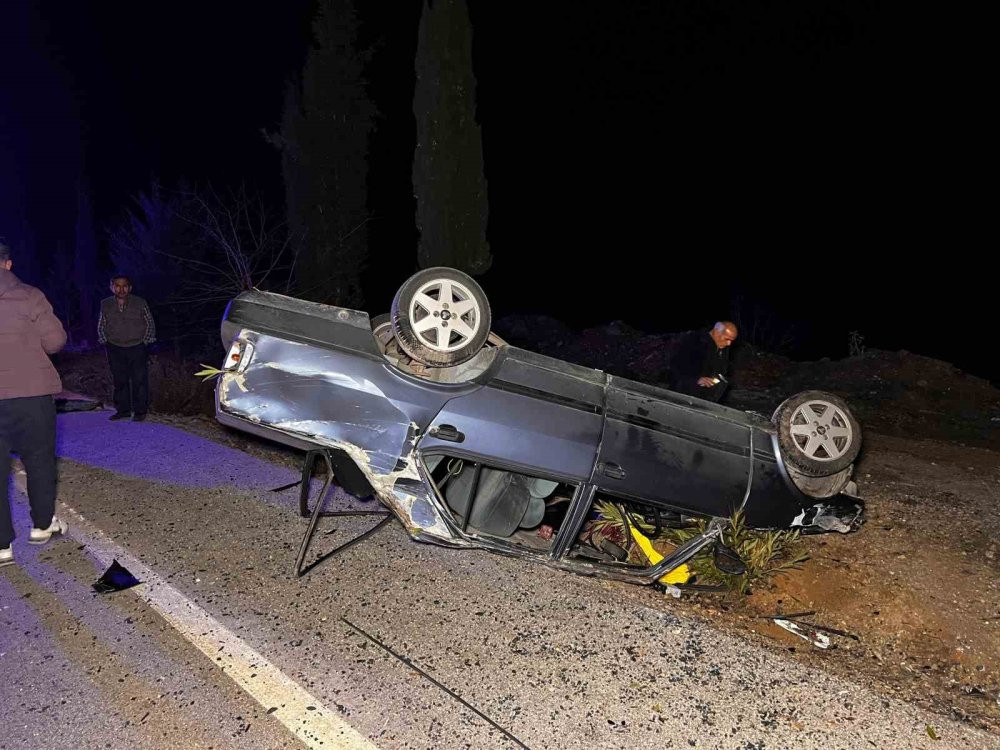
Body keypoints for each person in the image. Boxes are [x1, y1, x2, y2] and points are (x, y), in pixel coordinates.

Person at [0, 241, 70, 568]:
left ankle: (2, 546)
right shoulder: (30, 296)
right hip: (32, 395)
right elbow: (55, 341)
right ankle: (42, 525)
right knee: (39, 460)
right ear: (8, 264)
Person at [97, 275, 156, 421]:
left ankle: (140, 411)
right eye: (117, 286)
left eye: (124, 286)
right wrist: (105, 340)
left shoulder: (140, 302)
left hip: (137, 346)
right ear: (112, 287)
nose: (121, 289)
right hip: (115, 347)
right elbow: (101, 324)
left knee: (139, 380)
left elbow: (149, 322)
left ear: (130, 288)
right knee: (119, 380)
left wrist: (145, 341)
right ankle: (123, 410)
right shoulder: (105, 304)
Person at [668, 321, 738, 403]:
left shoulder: (723, 347)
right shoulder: (694, 341)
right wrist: (696, 379)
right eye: (727, 339)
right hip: (683, 395)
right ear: (716, 332)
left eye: (731, 340)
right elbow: (676, 365)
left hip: (706, 397)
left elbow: (720, 368)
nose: (729, 343)